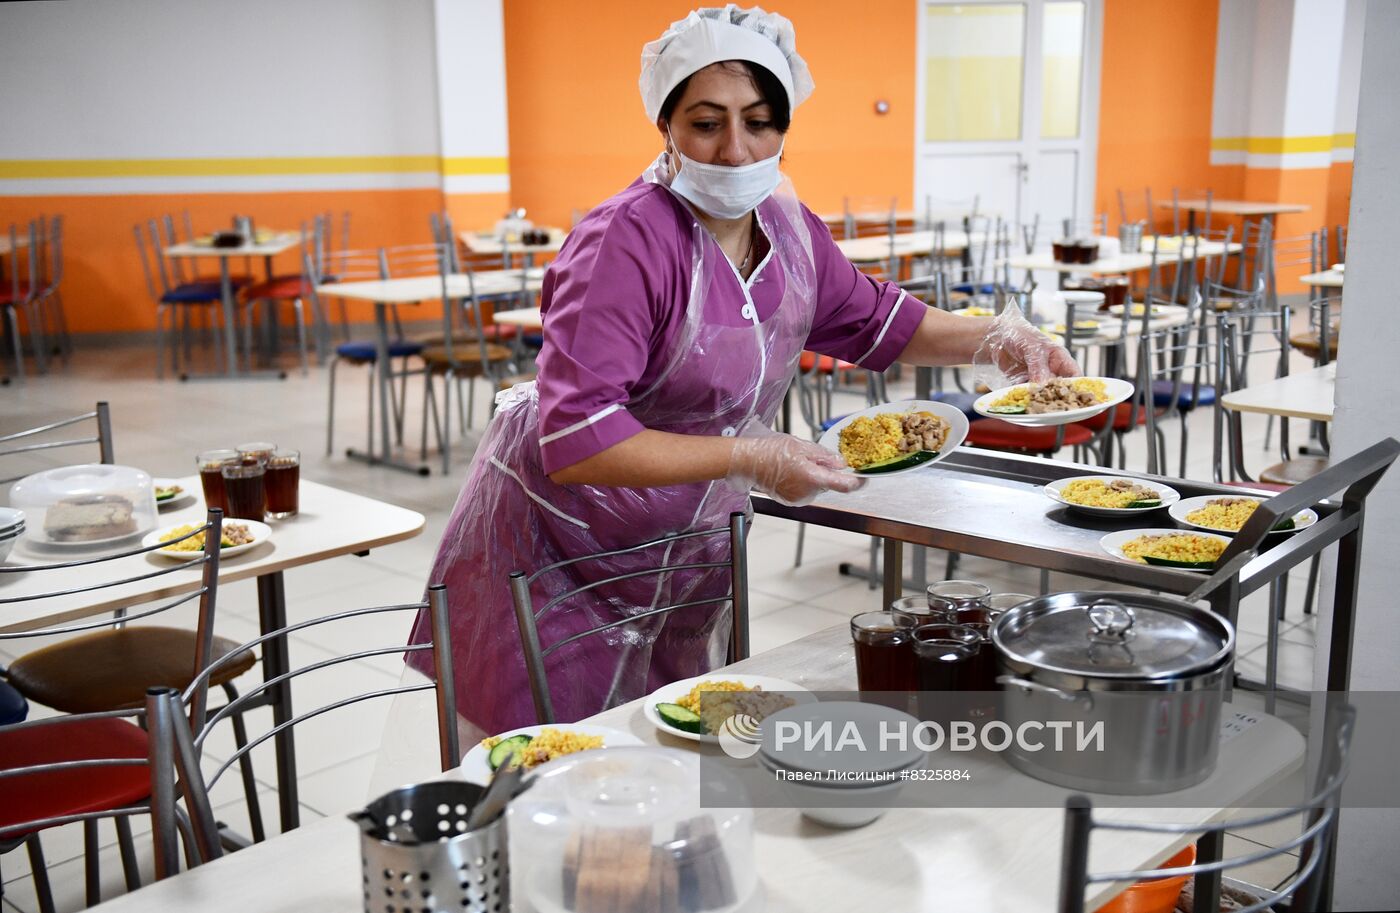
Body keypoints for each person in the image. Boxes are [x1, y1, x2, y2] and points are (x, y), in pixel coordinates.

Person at [408, 4, 1077, 738]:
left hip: (678, 552)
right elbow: (579, 440)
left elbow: (877, 320)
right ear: (664, 125)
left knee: (663, 771)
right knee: (555, 783)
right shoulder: (623, 244)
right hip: (553, 556)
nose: (735, 149)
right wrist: (753, 456)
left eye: (759, 121)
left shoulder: (787, 230)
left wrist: (1002, 338)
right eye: (706, 122)